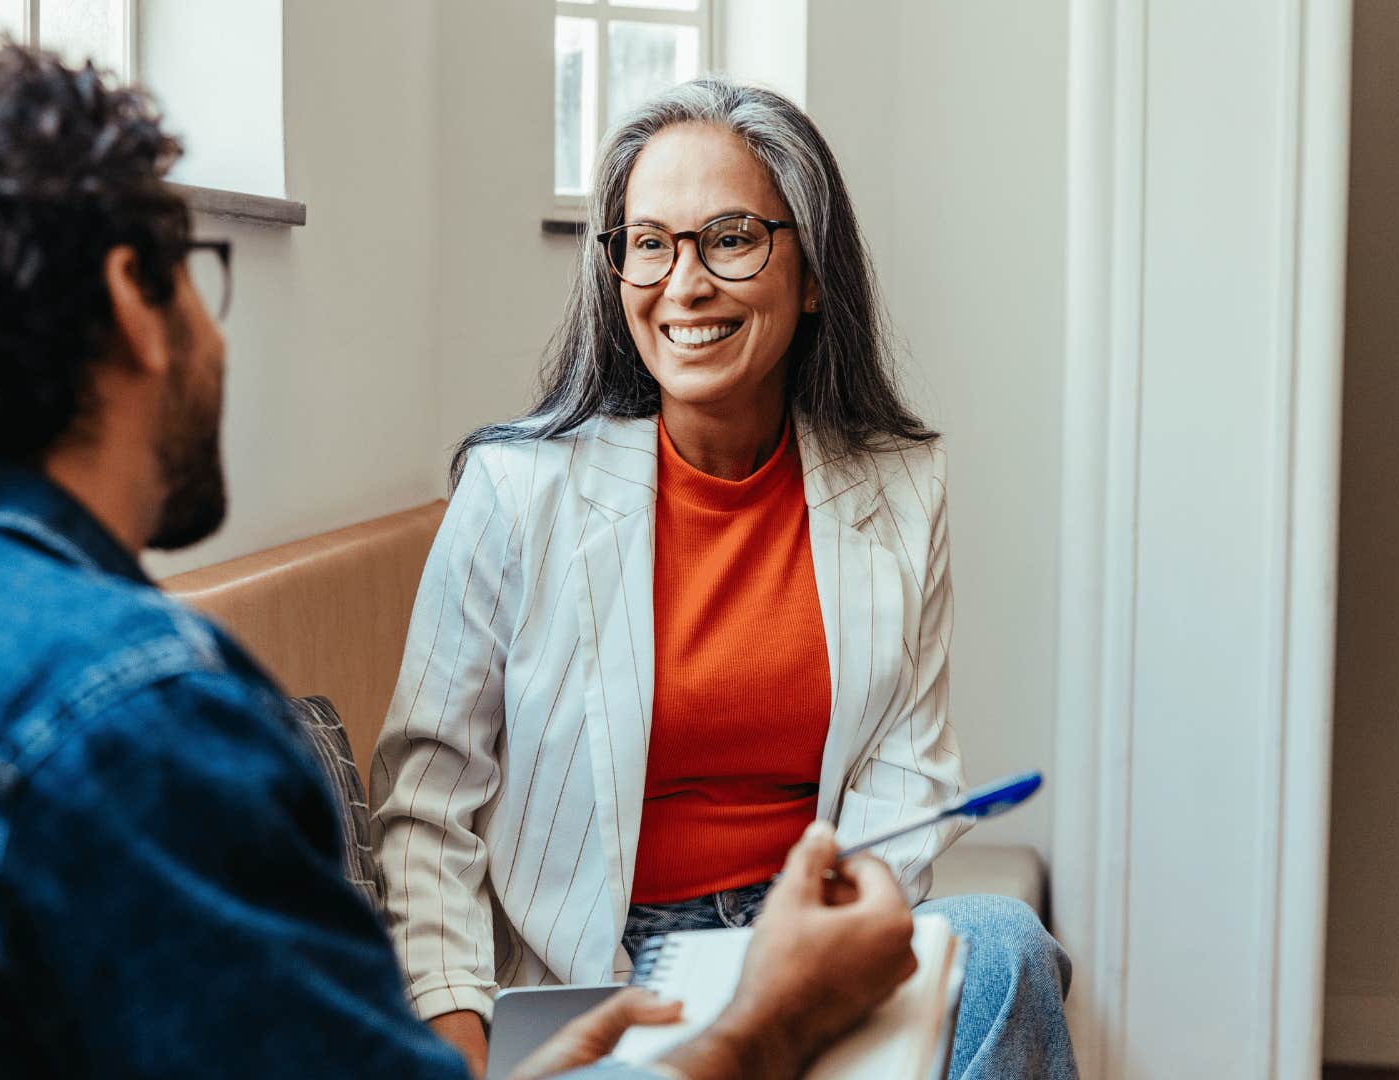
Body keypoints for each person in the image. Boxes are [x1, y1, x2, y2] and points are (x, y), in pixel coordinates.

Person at [0, 46, 924, 1080]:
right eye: (201, 272)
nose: (216, 330)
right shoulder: (136, 722)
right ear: (136, 305)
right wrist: (761, 1031)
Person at [370, 76, 1076, 1079]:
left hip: (809, 931)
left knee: (1004, 945)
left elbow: (906, 768)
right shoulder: (516, 490)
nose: (684, 283)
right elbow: (427, 804)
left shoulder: (901, 487)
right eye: (649, 243)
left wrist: (806, 972)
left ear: (814, 271)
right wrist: (459, 1050)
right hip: (611, 982)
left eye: (731, 237)